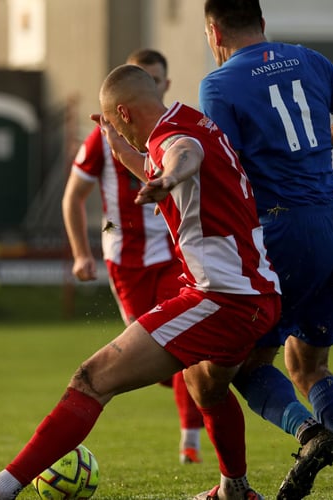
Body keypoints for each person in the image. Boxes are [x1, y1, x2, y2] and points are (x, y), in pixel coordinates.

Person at [0, 64, 281, 500]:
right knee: (206, 384)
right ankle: (235, 490)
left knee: (91, 379)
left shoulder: (176, 139)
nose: (117, 133)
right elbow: (170, 153)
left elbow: (183, 154)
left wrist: (168, 178)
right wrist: (123, 151)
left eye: (114, 124)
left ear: (125, 114)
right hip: (253, 293)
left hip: (221, 299)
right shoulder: (188, 119)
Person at [199, 1, 333, 499]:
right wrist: (320, 144)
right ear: (262, 24)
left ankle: (309, 435)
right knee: (307, 365)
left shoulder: (218, 84)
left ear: (213, 32)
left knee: (240, 368)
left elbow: (224, 170)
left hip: (283, 232)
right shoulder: (308, 59)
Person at [62, 48, 204, 465]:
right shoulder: (101, 139)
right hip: (125, 259)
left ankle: (190, 445)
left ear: (164, 86)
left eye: (155, 81)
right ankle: (188, 401)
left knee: (185, 346)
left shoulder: (176, 131)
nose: (149, 88)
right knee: (159, 360)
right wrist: (80, 254)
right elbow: (73, 198)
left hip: (174, 256)